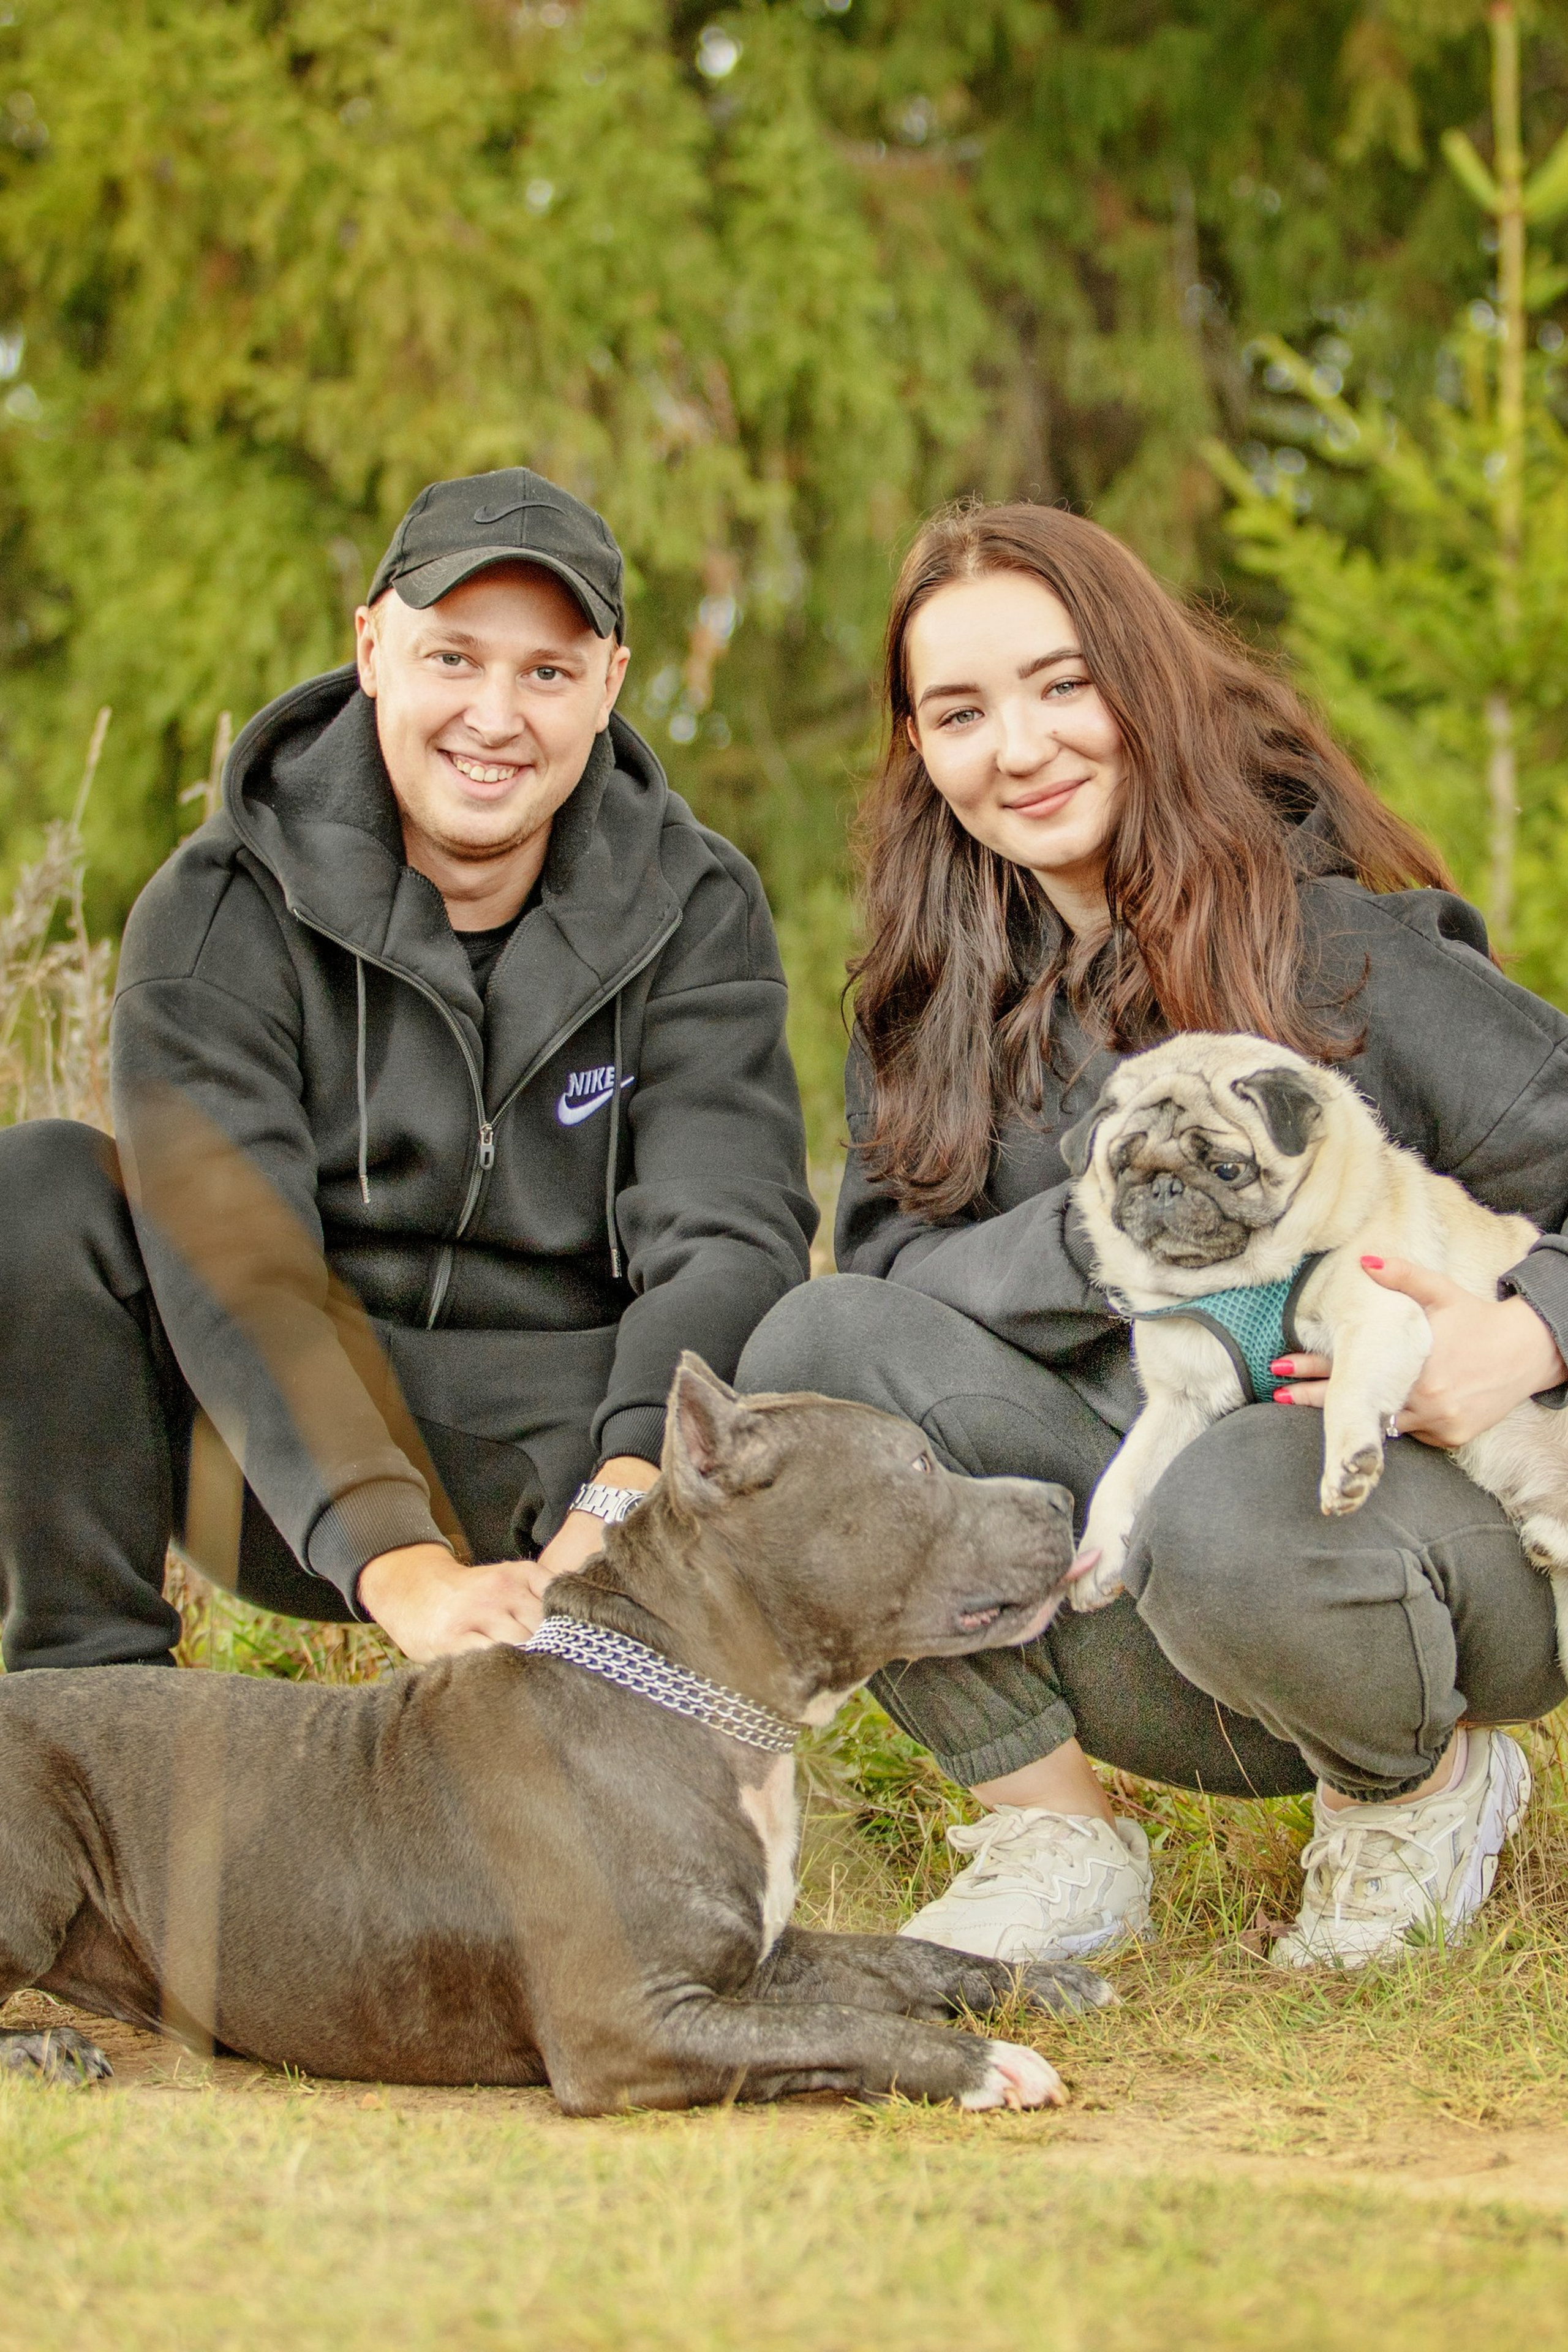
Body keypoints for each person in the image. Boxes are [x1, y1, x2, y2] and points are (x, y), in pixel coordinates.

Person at [737, 499, 1568, 1970]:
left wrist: (1525, 1331)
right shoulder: (933, 1018)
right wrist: (1098, 1246)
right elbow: (883, 1284)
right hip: (1147, 1615)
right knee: (808, 1357)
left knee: (1240, 1485)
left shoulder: (1346, 955)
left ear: (1144, 684)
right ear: (920, 752)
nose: (1022, 745)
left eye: (1064, 684)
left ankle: (1418, 1791)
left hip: (1420, 1576)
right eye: (961, 711)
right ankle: (1051, 1835)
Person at [0, 466, 816, 1670]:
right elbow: (241, 1266)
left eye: (547, 672)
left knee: (814, 1340)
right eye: (452, 658)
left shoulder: (692, 904)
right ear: (372, 647)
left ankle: (635, 1694)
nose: (495, 716)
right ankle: (90, 1694)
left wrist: (627, 1494)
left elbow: (729, 1226)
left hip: (566, 1452)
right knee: (42, 1185)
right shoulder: (216, 908)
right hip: (271, 1450)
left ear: (608, 689)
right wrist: (401, 1563)